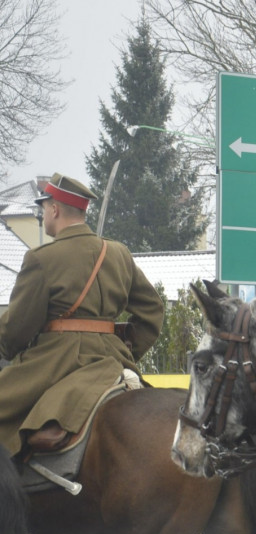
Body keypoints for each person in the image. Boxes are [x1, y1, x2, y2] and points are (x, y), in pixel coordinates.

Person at [0, 173, 164, 457]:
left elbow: (15, 330)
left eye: (44, 207)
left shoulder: (42, 259)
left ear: (54, 208)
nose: (43, 213)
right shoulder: (119, 253)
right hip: (114, 361)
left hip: (54, 363)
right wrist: (124, 352)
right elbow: (153, 311)